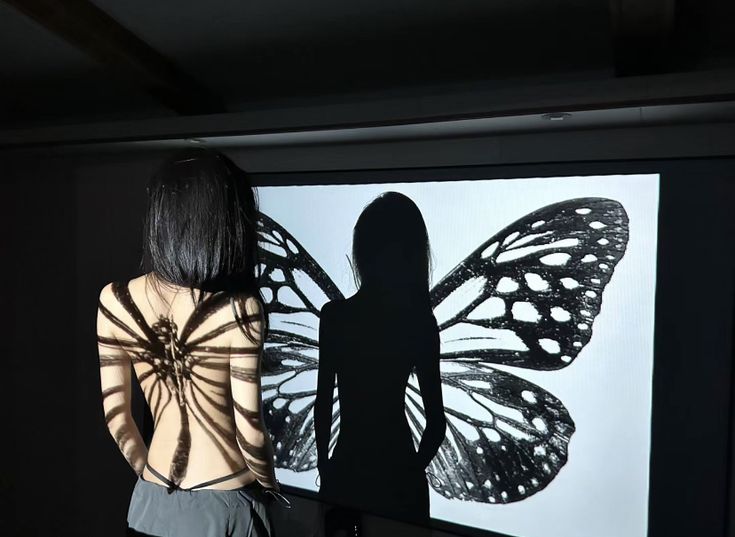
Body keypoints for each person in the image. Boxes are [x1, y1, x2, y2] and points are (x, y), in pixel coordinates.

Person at [96, 147, 284, 537]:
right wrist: (269, 485)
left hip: (149, 502)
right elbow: (250, 430)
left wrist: (151, 479)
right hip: (226, 502)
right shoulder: (239, 308)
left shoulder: (113, 300)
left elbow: (118, 419)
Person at [314, 192, 447, 527]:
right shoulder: (420, 323)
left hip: (347, 471)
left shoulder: (335, 317)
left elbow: (322, 405)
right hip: (400, 476)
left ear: (362, 251)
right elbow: (436, 423)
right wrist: (410, 474)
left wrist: (326, 469)